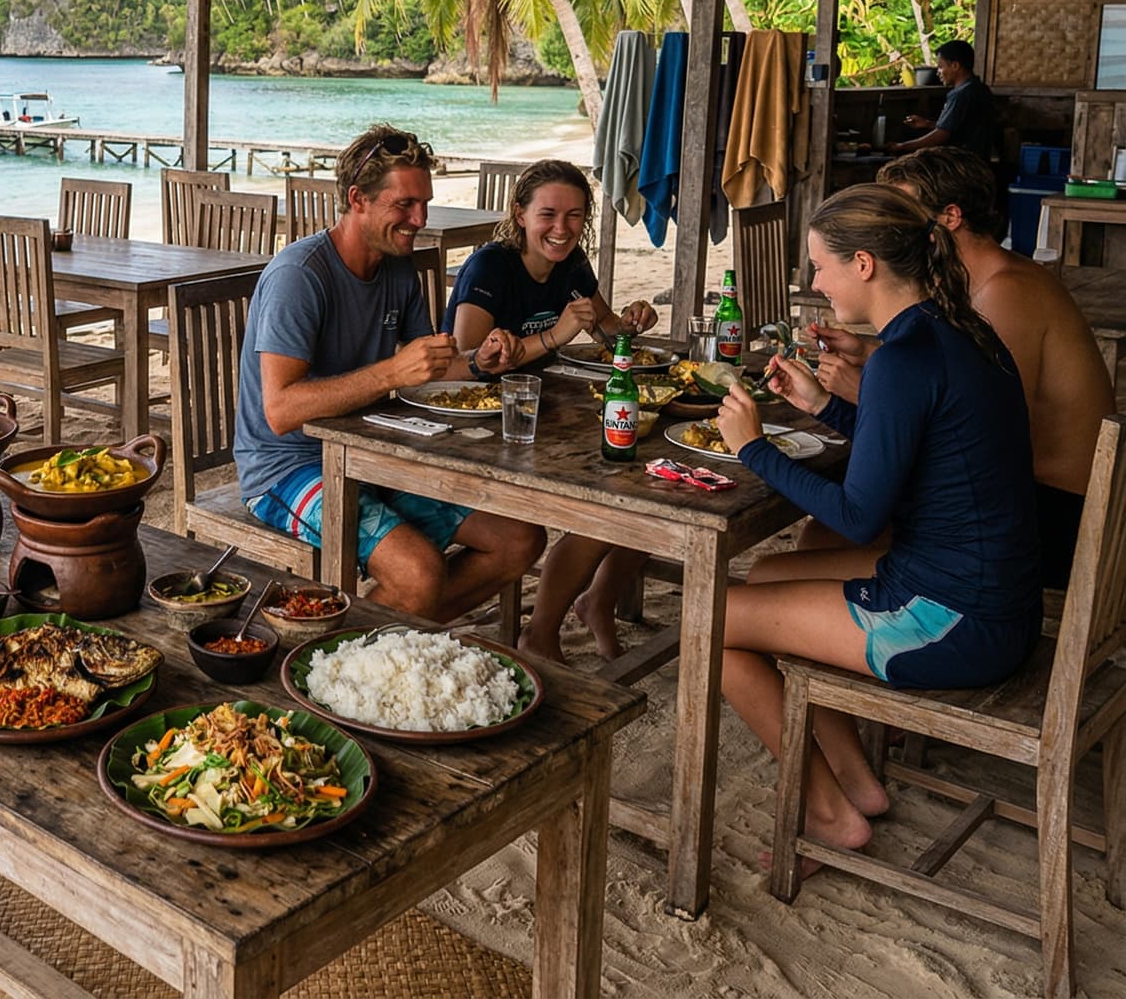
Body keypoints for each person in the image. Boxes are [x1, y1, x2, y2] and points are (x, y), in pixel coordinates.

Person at [713, 183, 1041, 867]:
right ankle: (858, 781)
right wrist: (826, 405)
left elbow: (859, 517)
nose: (815, 283)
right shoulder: (959, 332)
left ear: (864, 263)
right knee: (769, 574)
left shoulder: (900, 356)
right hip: (992, 595)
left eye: (821, 266)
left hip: (953, 617)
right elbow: (915, 450)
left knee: (709, 621)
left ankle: (830, 815)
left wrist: (753, 448)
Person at [235, 124, 545, 621]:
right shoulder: (300, 276)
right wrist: (390, 374)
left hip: (374, 453)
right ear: (357, 199)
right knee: (419, 571)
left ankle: (397, 629)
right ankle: (336, 657)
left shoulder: (398, 264)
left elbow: (428, 367)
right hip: (286, 468)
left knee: (519, 539)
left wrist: (478, 363)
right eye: (405, 205)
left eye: (424, 202)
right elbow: (280, 410)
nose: (419, 218)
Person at [802, 147, 1111, 588]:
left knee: (842, 528)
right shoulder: (974, 283)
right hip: (1014, 497)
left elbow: (981, 424)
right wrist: (871, 353)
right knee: (823, 533)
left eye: (902, 212)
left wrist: (865, 390)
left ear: (949, 218)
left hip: (1053, 517)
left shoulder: (1003, 293)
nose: (892, 227)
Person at [444, 159, 660, 660]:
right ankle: (541, 630)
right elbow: (468, 358)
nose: (561, 229)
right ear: (520, 215)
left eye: (575, 216)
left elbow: (607, 334)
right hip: (482, 425)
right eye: (548, 215)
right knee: (608, 499)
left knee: (647, 481)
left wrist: (631, 322)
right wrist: (556, 335)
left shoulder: (573, 264)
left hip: (547, 414)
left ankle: (599, 601)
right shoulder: (491, 266)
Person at [891, 40, 997, 162]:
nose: (938, 72)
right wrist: (927, 124)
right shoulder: (979, 88)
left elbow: (942, 135)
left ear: (955, 66)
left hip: (962, 162)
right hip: (979, 159)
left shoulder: (962, 94)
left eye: (941, 67)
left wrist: (903, 146)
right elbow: (960, 129)